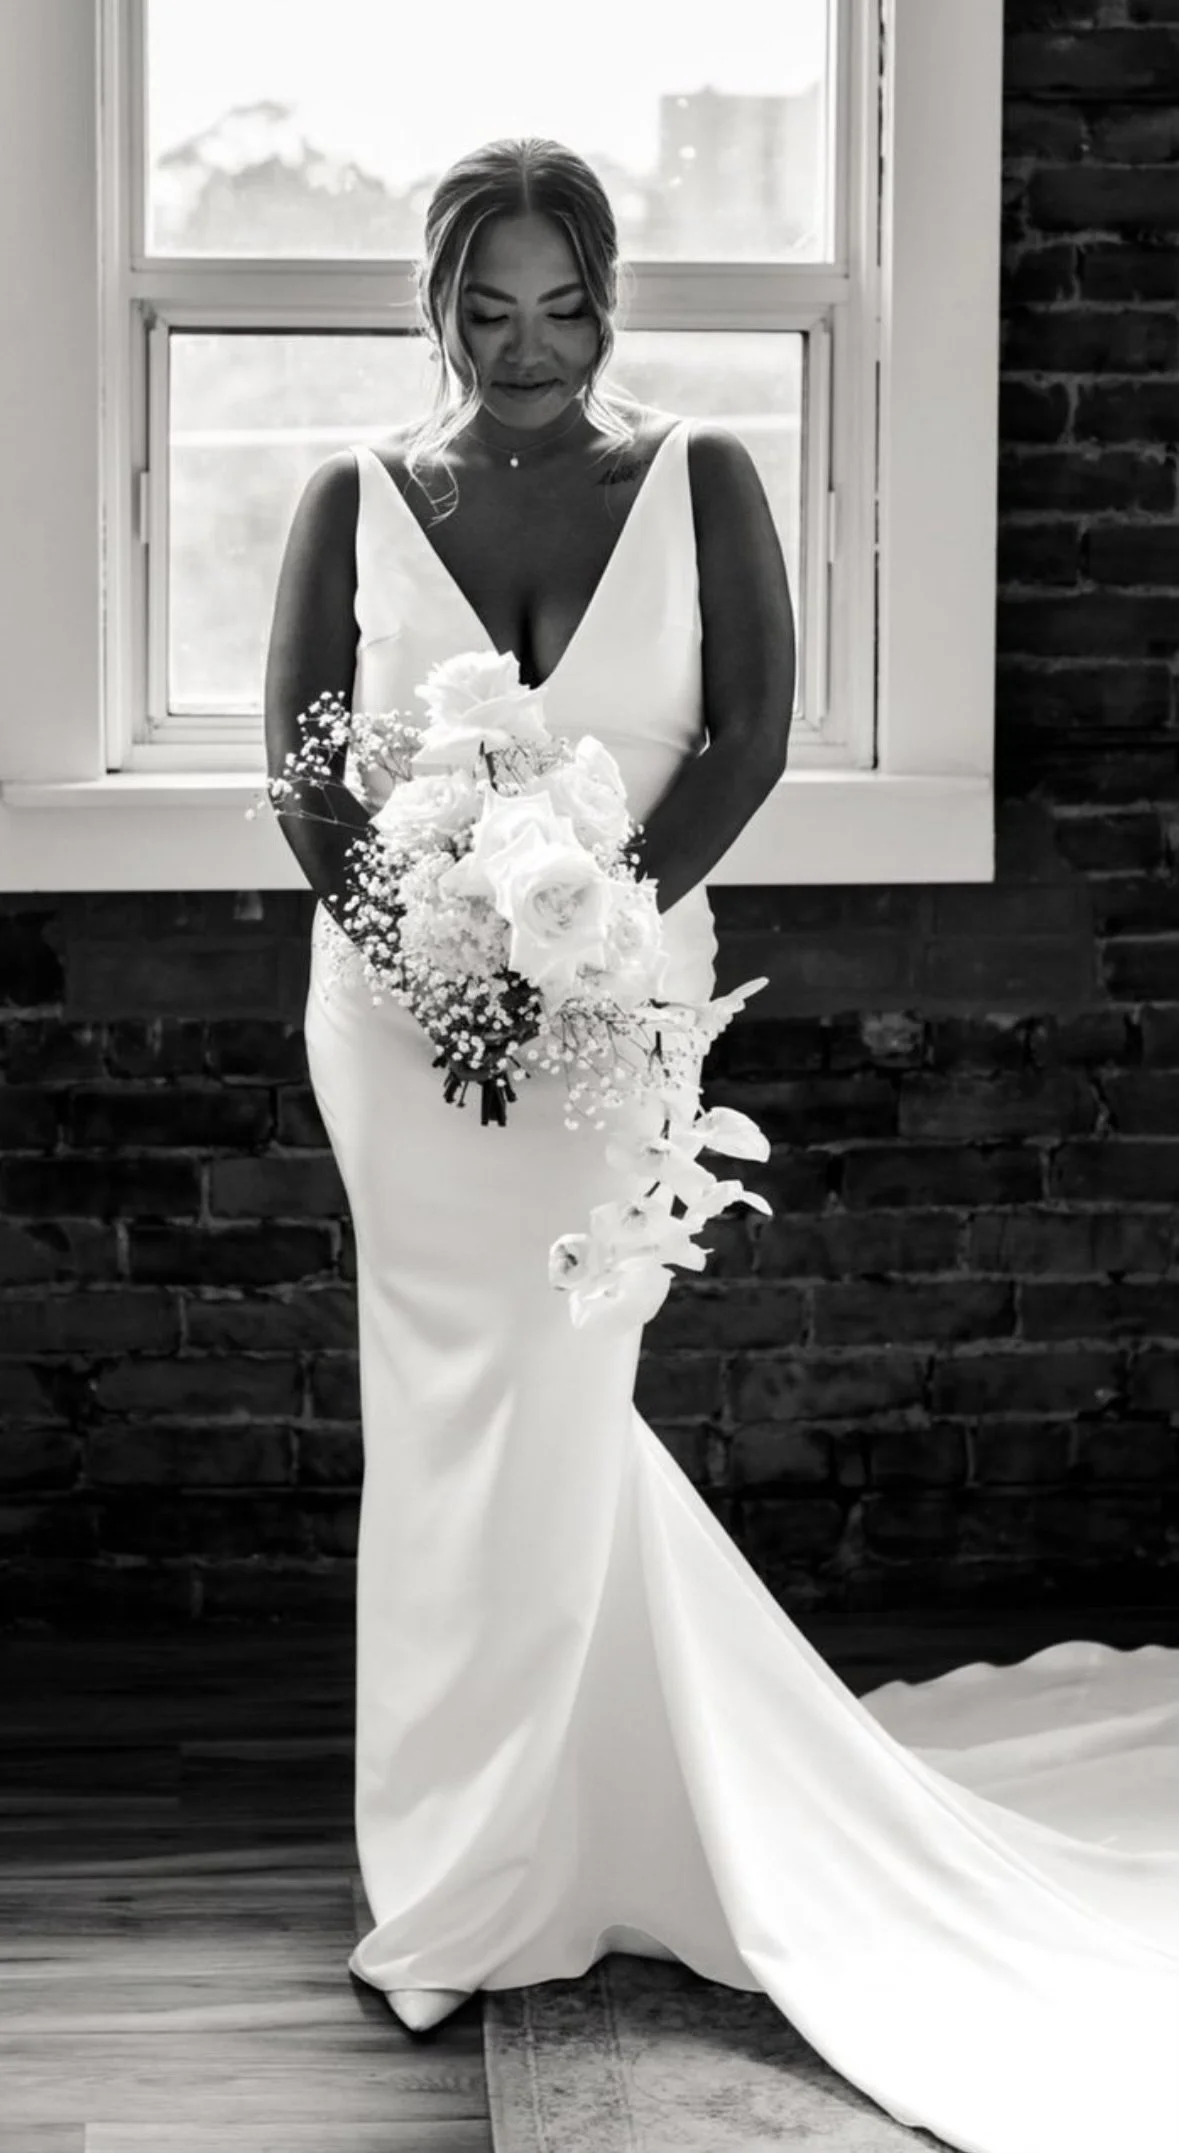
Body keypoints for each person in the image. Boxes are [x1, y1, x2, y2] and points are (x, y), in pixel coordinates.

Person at [264, 138, 1178, 2153]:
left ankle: (552, 1832)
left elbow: (748, 736)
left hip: (612, 1004)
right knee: (440, 1419)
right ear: (434, 302)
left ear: (611, 301)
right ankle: (455, 1853)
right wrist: (434, 965)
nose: (526, 348)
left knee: (561, 1397)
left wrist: (569, 946)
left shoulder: (702, 476)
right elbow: (300, 772)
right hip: (400, 1027)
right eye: (485, 308)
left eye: (563, 305)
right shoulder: (350, 490)